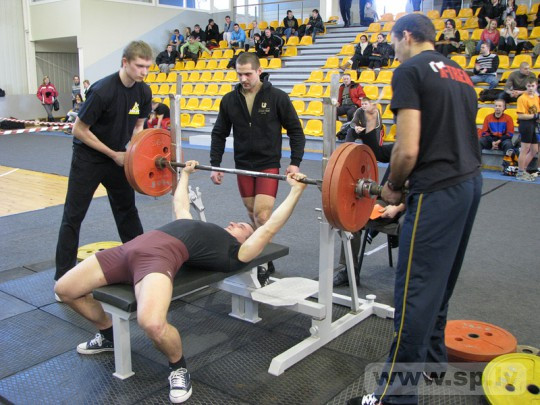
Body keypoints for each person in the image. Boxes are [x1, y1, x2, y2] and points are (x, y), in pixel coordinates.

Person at [54, 160, 308, 404]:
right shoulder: (197, 227)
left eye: (241, 225)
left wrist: (296, 191)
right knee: (65, 289)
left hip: (158, 258)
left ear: (246, 240)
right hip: (128, 249)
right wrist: (185, 174)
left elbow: (269, 228)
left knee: (152, 323)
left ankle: (178, 368)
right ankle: (108, 335)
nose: (233, 222)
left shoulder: (236, 252)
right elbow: (181, 205)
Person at [348, 14, 482, 405]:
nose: (394, 49)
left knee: (414, 293)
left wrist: (392, 187)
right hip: (469, 184)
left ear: (406, 36)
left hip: (437, 192)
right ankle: (434, 362)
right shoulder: (459, 73)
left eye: (394, 41)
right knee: (440, 282)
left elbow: (408, 149)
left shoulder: (409, 70)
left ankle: (395, 395)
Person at [54, 41, 153, 287]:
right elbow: (79, 129)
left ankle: (141, 267)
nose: (144, 72)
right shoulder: (102, 90)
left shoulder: (143, 91)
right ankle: (63, 278)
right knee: (73, 216)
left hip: (119, 157)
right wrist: (114, 154)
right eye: (139, 66)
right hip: (89, 158)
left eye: (147, 67)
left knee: (127, 212)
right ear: (125, 63)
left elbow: (140, 125)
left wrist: (131, 152)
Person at [210, 52, 305, 281]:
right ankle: (262, 254)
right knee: (252, 214)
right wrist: (216, 164)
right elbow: (219, 133)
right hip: (242, 163)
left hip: (267, 163)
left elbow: (295, 130)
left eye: (248, 74)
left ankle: (262, 262)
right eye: (240, 74)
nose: (243, 78)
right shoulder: (229, 100)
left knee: (262, 216)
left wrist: (295, 162)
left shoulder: (277, 97)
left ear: (259, 71)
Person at [515, 78, 539, 182]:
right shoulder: (522, 98)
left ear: (536, 86)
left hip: (533, 124)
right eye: (528, 86)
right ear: (526, 86)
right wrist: (535, 116)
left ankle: (523, 170)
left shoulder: (536, 98)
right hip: (525, 125)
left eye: (532, 86)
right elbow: (521, 116)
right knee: (525, 148)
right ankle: (520, 172)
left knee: (534, 150)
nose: (530, 88)